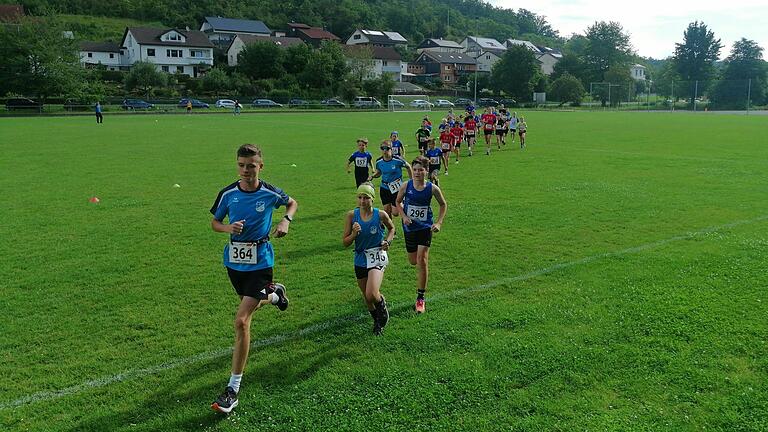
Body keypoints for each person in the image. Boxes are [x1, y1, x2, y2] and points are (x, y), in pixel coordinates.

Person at [209, 144, 298, 414]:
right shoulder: (228, 193)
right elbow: (215, 222)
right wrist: (227, 227)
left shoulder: (270, 192)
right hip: (235, 262)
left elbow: (292, 202)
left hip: (260, 261)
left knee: (241, 320)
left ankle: (232, 389)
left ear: (261, 166)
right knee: (254, 303)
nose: (246, 170)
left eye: (251, 165)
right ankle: (275, 295)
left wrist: (285, 221)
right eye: (242, 165)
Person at [395, 156, 447, 314]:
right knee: (413, 261)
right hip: (410, 228)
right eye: (415, 169)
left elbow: (443, 204)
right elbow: (397, 202)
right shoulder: (406, 185)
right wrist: (403, 216)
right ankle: (420, 294)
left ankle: (420, 298)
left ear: (426, 171)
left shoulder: (432, 188)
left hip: (425, 227)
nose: (417, 172)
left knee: (422, 260)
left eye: (420, 170)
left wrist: (438, 223)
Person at [342, 183, 396, 335]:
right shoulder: (352, 216)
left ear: (372, 199)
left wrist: (388, 241)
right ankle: (377, 321)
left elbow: (392, 228)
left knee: (371, 293)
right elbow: (345, 242)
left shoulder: (380, 215)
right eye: (359, 197)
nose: (362, 201)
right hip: (360, 258)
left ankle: (382, 308)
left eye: (366, 198)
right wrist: (353, 234)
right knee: (367, 298)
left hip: (377, 256)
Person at [369, 141, 412, 219]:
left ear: (391, 149)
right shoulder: (379, 161)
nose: (384, 151)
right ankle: (391, 229)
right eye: (382, 148)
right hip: (384, 188)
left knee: (395, 213)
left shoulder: (397, 160)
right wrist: (372, 176)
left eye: (387, 148)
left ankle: (403, 202)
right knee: (387, 211)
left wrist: (412, 180)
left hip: (396, 188)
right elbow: (379, 172)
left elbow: (408, 166)